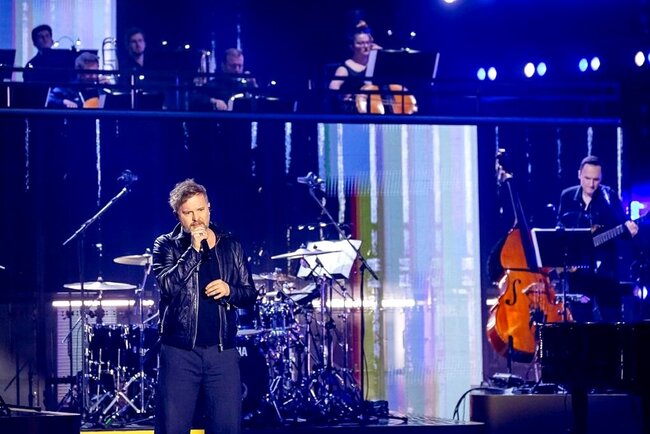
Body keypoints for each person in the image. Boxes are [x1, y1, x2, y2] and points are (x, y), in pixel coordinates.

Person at [152, 179, 258, 434]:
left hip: (222, 352)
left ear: (209, 208)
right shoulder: (166, 244)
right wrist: (193, 251)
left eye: (200, 210)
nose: (196, 218)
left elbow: (249, 294)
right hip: (180, 351)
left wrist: (229, 290)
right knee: (172, 427)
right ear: (178, 214)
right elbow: (167, 286)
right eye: (188, 212)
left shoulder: (230, 245)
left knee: (226, 426)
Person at [556, 155, 639, 321]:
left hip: (605, 273)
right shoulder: (567, 196)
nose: (591, 184)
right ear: (579, 174)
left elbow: (623, 227)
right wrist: (566, 258)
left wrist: (630, 231)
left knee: (612, 321)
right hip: (578, 273)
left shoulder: (609, 197)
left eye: (596, 180)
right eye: (587, 178)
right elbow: (560, 228)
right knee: (581, 322)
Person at [328, 20, 381, 112]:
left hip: (378, 109)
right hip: (356, 112)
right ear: (352, 46)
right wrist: (342, 97)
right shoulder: (344, 69)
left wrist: (381, 52)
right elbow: (332, 90)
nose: (365, 46)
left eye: (367, 42)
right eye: (360, 43)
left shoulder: (376, 63)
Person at [191, 48, 257, 111]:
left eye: (240, 66)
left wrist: (254, 88)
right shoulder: (213, 85)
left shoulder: (245, 86)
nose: (237, 70)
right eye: (233, 66)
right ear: (223, 65)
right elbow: (195, 98)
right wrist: (213, 101)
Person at [45, 52, 110, 108]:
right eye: (89, 73)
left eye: (96, 72)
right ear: (79, 72)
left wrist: (110, 89)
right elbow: (49, 98)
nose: (94, 76)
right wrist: (63, 101)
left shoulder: (99, 89)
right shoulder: (69, 88)